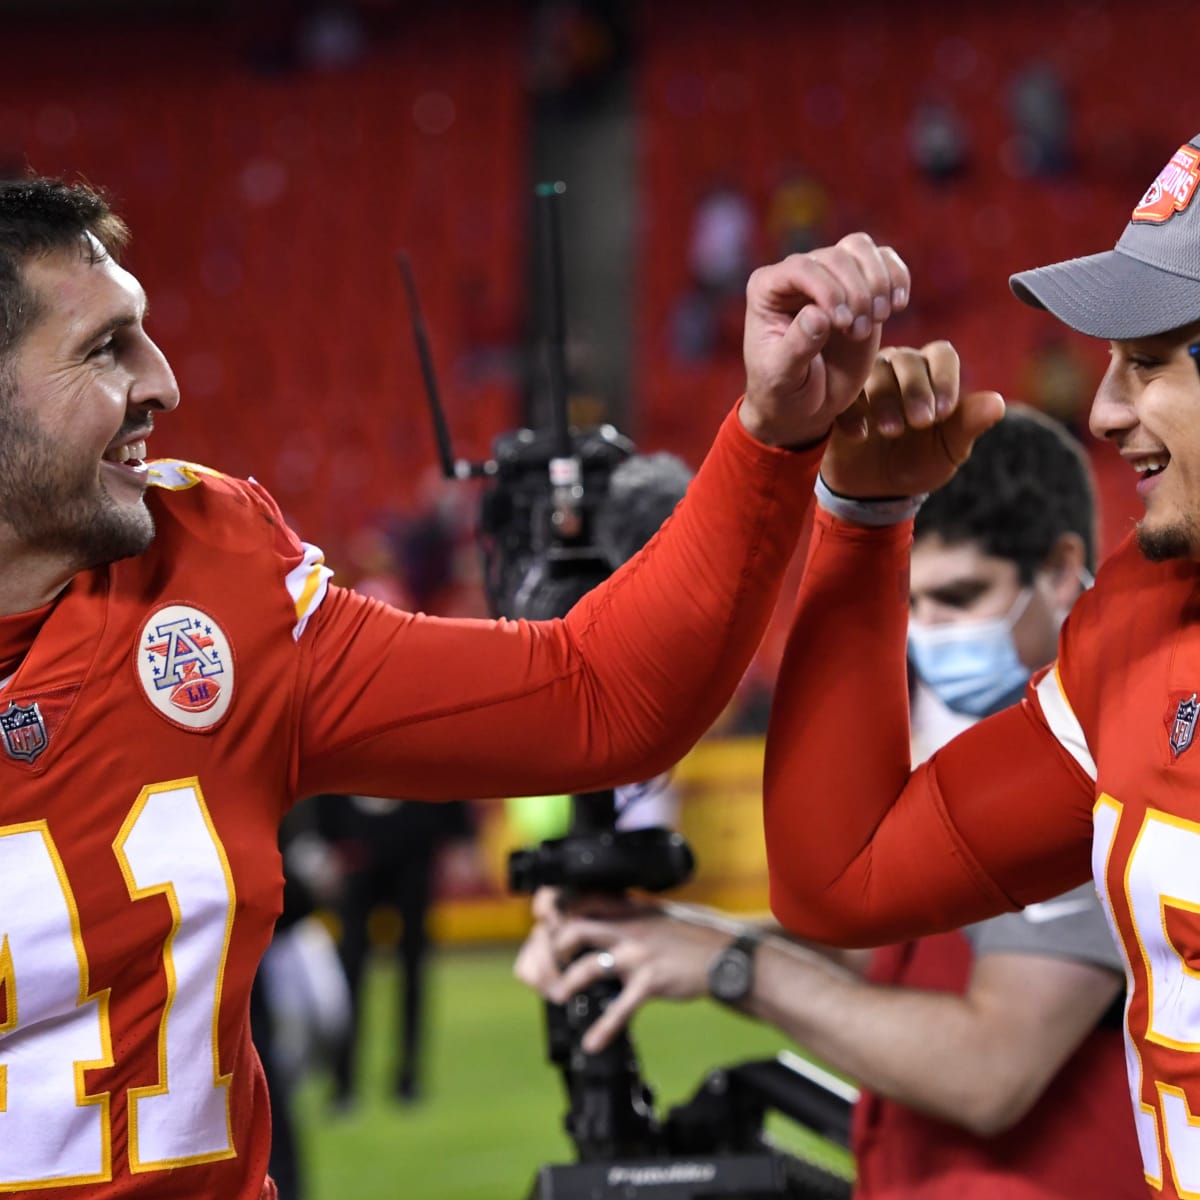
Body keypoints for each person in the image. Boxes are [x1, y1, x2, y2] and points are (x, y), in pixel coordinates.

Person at [0, 177, 905, 1198]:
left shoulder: (208, 572)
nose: (162, 381)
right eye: (104, 347)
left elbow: (596, 696)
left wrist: (771, 434)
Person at [516, 407, 1144, 1198]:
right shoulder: (999, 745)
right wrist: (670, 934)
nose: (929, 634)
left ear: (1059, 572)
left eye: (959, 597)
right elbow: (911, 952)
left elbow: (991, 1069)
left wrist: (730, 965)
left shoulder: (1107, 756)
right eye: (912, 604)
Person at [757, 133, 1200, 1200]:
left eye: (1149, 360)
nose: (1102, 412)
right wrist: (864, 519)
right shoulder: (1138, 626)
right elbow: (840, 880)